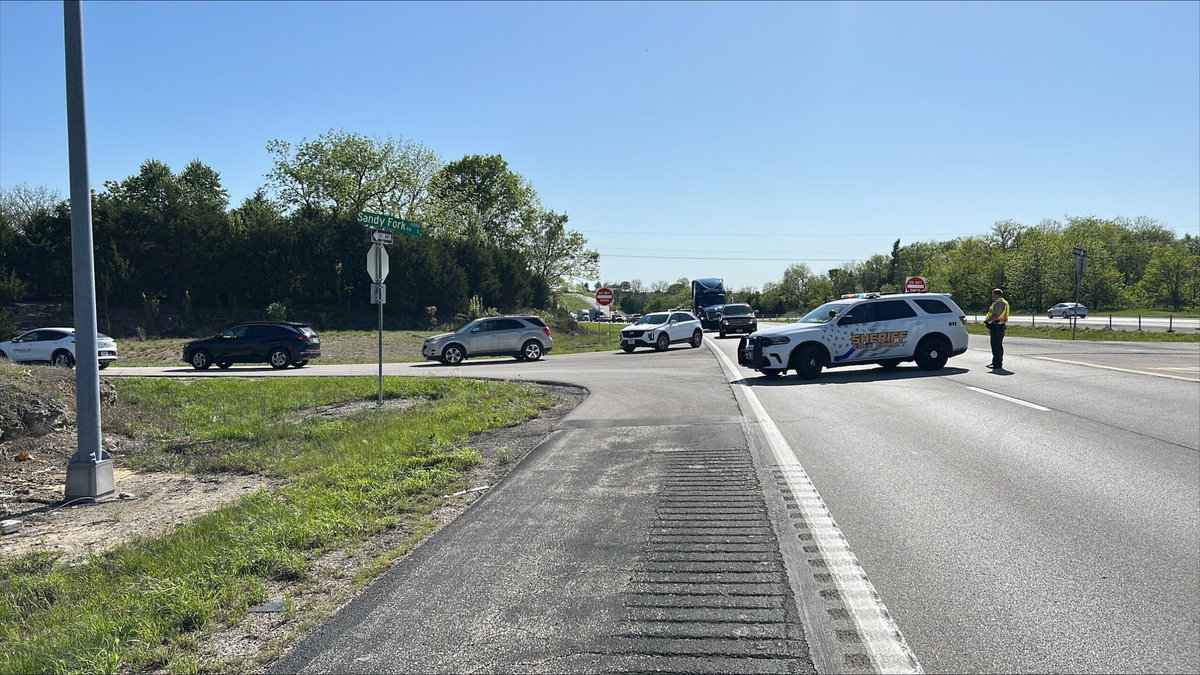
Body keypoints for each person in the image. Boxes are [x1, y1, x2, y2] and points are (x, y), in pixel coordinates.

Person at [983, 288, 1010, 369]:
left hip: (997, 327)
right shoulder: (1004, 302)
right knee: (996, 345)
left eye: (993, 296)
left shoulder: (999, 303)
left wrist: (987, 321)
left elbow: (995, 315)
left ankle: (997, 363)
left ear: (995, 295)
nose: (992, 297)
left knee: (996, 346)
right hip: (999, 326)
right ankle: (995, 362)